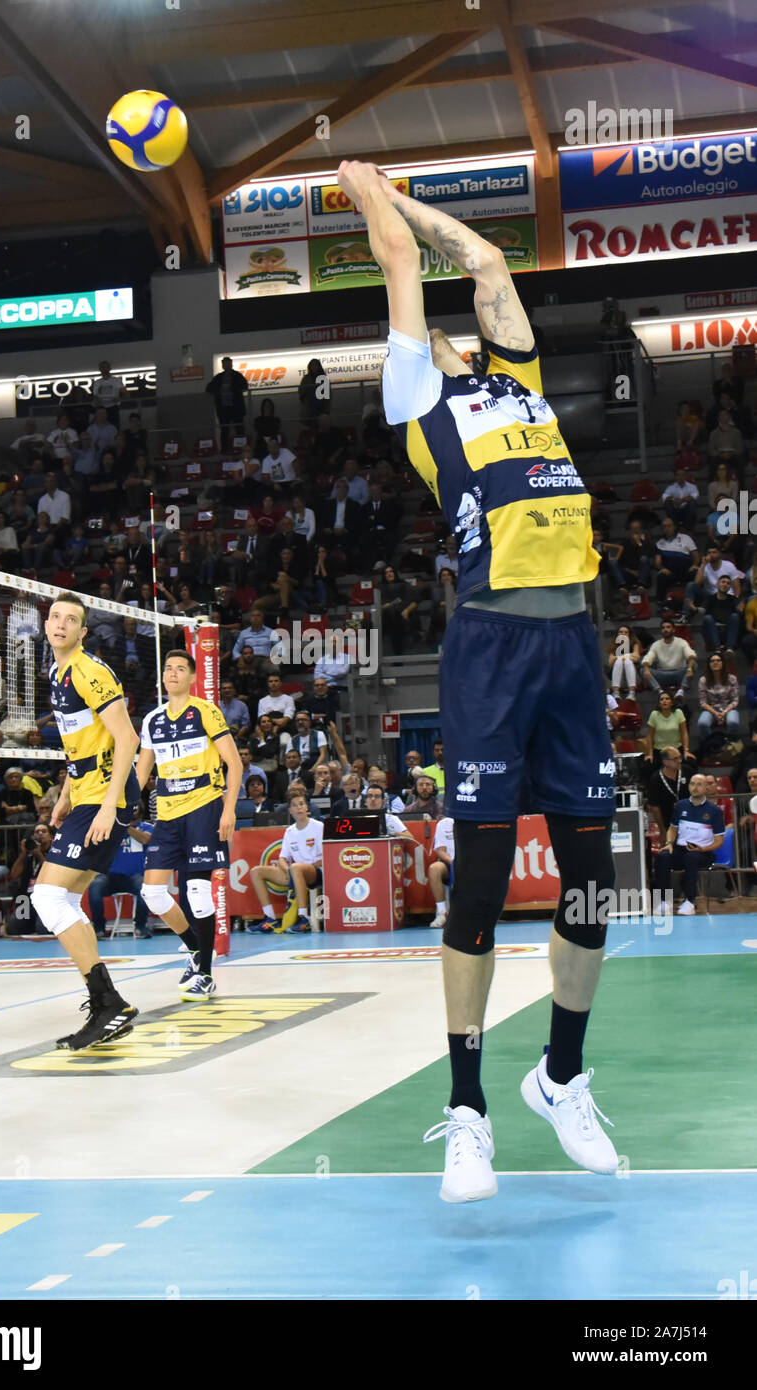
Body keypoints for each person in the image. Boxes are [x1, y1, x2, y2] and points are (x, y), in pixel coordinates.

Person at [337, 156, 618, 1203]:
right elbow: (408, 261)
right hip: (492, 646)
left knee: (592, 882)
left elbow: (487, 259)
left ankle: (563, 1075)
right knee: (483, 883)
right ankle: (469, 1108)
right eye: (444, 332)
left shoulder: (520, 380)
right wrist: (370, 198)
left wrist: (409, 196)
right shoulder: (420, 400)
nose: (459, 332)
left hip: (572, 645)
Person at [30, 593, 141, 1049]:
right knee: (67, 902)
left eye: (70, 619)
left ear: (82, 632)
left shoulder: (90, 672)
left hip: (107, 798)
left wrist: (109, 806)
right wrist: (68, 794)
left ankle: (108, 1004)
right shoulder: (57, 673)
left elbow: (127, 739)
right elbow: (83, 743)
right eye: (55, 616)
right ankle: (106, 1008)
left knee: (48, 899)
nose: (60, 624)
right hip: (88, 795)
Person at [135, 649, 241, 1001]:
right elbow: (141, 772)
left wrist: (229, 810)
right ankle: (196, 949)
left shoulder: (205, 711)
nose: (173, 673)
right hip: (167, 815)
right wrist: (115, 804)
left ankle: (207, 975)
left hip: (203, 809)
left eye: (181, 668)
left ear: (192, 676)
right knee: (151, 893)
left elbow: (234, 764)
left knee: (196, 893)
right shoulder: (152, 719)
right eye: (168, 668)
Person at [248, 790, 323, 934]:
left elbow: (323, 859)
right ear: (290, 810)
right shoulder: (289, 831)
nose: (299, 807)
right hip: (295, 872)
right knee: (256, 871)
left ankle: (304, 918)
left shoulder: (318, 826)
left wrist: (295, 870)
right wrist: (288, 870)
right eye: (295, 805)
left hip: (315, 872)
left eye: (302, 804)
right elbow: (283, 858)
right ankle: (270, 918)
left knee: (296, 868)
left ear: (307, 807)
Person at [652, 774, 725, 916]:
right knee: (663, 857)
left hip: (704, 852)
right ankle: (664, 901)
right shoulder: (681, 806)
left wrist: (703, 848)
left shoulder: (714, 811)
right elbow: (672, 829)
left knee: (691, 858)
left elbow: (719, 841)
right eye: (692, 784)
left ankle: (690, 901)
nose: (695, 787)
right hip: (680, 849)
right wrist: (668, 843)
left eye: (699, 784)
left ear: (705, 787)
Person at [87, 812, 154, 940]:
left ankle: (140, 926)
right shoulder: (111, 827)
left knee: (144, 889)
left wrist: (126, 826)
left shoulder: (146, 826)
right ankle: (99, 928)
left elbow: (146, 839)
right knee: (95, 886)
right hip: (110, 877)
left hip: (134, 877)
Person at [641, 620, 696, 699]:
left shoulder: (681, 642)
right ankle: (660, 692)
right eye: (663, 628)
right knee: (643, 670)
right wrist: (646, 668)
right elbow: (648, 658)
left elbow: (691, 655)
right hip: (662, 675)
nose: (665, 629)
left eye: (668, 627)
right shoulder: (656, 644)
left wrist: (690, 668)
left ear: (673, 630)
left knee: (694, 665)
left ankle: (681, 691)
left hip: (679, 674)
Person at [205, 355, 250, 452]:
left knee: (239, 430)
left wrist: (231, 388)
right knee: (225, 431)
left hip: (236, 408)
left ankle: (242, 449)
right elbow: (208, 388)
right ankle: (225, 450)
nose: (226, 366)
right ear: (222, 365)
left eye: (228, 363)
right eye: (225, 364)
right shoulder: (219, 378)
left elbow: (245, 385)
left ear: (231, 364)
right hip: (224, 409)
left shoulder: (237, 376)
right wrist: (220, 389)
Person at [696, 652, 740, 748]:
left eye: (718, 660)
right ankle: (709, 745)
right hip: (711, 709)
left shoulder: (732, 678)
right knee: (702, 723)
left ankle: (730, 743)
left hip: (728, 708)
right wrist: (716, 714)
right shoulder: (703, 680)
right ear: (709, 664)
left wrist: (724, 713)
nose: (715, 663)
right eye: (712, 661)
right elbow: (703, 702)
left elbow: (735, 700)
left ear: (723, 663)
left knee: (733, 722)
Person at [644, 748, 688, 833]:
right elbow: (655, 806)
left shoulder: (688, 771)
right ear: (665, 762)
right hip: (669, 823)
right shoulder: (656, 779)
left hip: (690, 822)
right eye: (675, 759)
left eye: (680, 757)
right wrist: (662, 830)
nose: (679, 761)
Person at [645, 690, 689, 766]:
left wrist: (686, 750)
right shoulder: (654, 714)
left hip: (676, 750)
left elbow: (684, 733)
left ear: (672, 702)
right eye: (661, 699)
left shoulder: (678, 713)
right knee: (648, 766)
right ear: (659, 703)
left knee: (690, 763)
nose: (664, 701)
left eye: (667, 699)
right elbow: (650, 736)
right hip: (659, 751)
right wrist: (650, 754)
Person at [428, 814, 455, 930]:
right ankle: (442, 912)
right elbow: (441, 851)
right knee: (434, 869)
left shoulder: (473, 820)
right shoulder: (443, 824)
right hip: (450, 863)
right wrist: (453, 862)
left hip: (470, 862)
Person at [607, 625, 642, 699]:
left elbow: (636, 657)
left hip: (634, 677)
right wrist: (626, 656)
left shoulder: (635, 644)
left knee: (627, 661)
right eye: (621, 632)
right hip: (620, 679)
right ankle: (616, 693)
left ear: (629, 635)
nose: (623, 634)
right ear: (617, 634)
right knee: (619, 661)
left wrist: (620, 657)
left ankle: (632, 693)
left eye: (626, 632)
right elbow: (610, 662)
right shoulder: (614, 645)